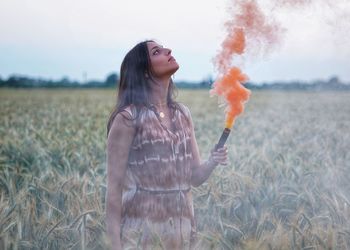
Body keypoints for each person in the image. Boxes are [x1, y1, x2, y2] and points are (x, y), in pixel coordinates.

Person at [106, 39, 228, 250]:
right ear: (144, 71)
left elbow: (194, 178)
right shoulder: (127, 118)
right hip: (142, 236)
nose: (168, 50)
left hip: (182, 233)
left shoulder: (182, 114)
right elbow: (114, 192)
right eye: (157, 52)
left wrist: (213, 161)